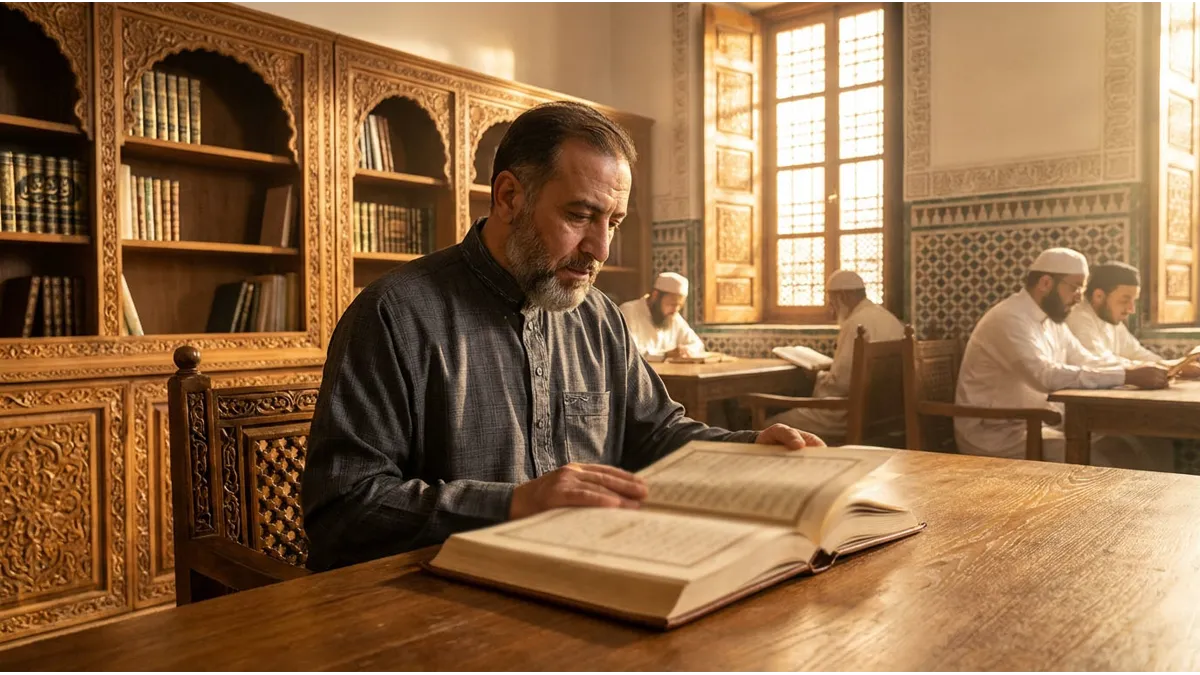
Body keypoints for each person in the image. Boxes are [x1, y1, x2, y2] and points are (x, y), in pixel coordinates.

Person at [301, 101, 822, 572]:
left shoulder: (598, 317)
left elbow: (659, 437)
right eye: (579, 216)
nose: (601, 249)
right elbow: (344, 511)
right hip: (436, 609)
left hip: (588, 581)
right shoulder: (395, 316)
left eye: (613, 222)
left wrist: (750, 450)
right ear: (509, 197)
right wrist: (512, 504)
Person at [954, 247, 1172, 469]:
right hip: (997, 436)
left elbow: (1086, 359)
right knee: (1098, 463)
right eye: (1075, 288)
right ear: (1046, 283)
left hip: (1036, 425)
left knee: (1133, 446)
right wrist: (1127, 375)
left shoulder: (1052, 321)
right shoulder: (1009, 318)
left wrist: (1150, 369)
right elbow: (1045, 376)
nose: (1079, 298)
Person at [766, 270, 905, 441]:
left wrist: (817, 376)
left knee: (771, 425)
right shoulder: (889, 319)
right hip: (881, 415)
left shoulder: (856, 323)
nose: (831, 308)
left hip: (846, 416)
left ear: (844, 296)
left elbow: (841, 384)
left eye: (832, 301)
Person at [1066, 261, 1200, 377]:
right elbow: (1099, 362)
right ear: (1099, 296)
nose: (1131, 309)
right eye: (1125, 300)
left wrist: (1175, 367)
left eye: (1133, 301)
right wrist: (1166, 367)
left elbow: (1136, 353)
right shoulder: (1078, 318)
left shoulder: (1110, 317)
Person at [618, 271, 704, 359]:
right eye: (672, 304)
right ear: (655, 296)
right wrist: (664, 355)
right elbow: (629, 353)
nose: (676, 310)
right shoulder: (629, 312)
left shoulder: (673, 316)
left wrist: (685, 350)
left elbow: (697, 345)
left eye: (680, 306)